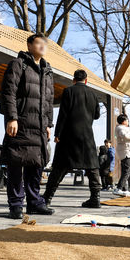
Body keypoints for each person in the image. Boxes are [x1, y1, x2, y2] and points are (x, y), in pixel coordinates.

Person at [0, 33, 55, 219]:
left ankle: (34, 203)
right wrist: (11, 118)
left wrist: (49, 123)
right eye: (38, 43)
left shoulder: (47, 70)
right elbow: (9, 92)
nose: (42, 47)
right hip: (21, 122)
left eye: (44, 44)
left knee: (36, 164)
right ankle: (15, 205)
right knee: (16, 162)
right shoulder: (18, 64)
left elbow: (49, 99)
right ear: (29, 45)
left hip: (40, 126)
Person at [42, 69, 102, 208]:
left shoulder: (68, 91)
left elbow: (63, 114)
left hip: (69, 134)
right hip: (87, 135)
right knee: (92, 167)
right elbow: (97, 115)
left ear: (73, 80)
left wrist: (58, 134)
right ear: (86, 80)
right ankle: (95, 198)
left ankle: (47, 198)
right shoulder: (93, 94)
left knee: (59, 167)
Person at [113, 114, 130, 197]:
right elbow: (124, 135)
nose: (128, 122)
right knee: (127, 170)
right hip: (125, 152)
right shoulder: (120, 128)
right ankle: (119, 188)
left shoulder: (123, 127)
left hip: (127, 152)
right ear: (124, 121)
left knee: (127, 170)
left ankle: (124, 189)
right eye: (127, 120)